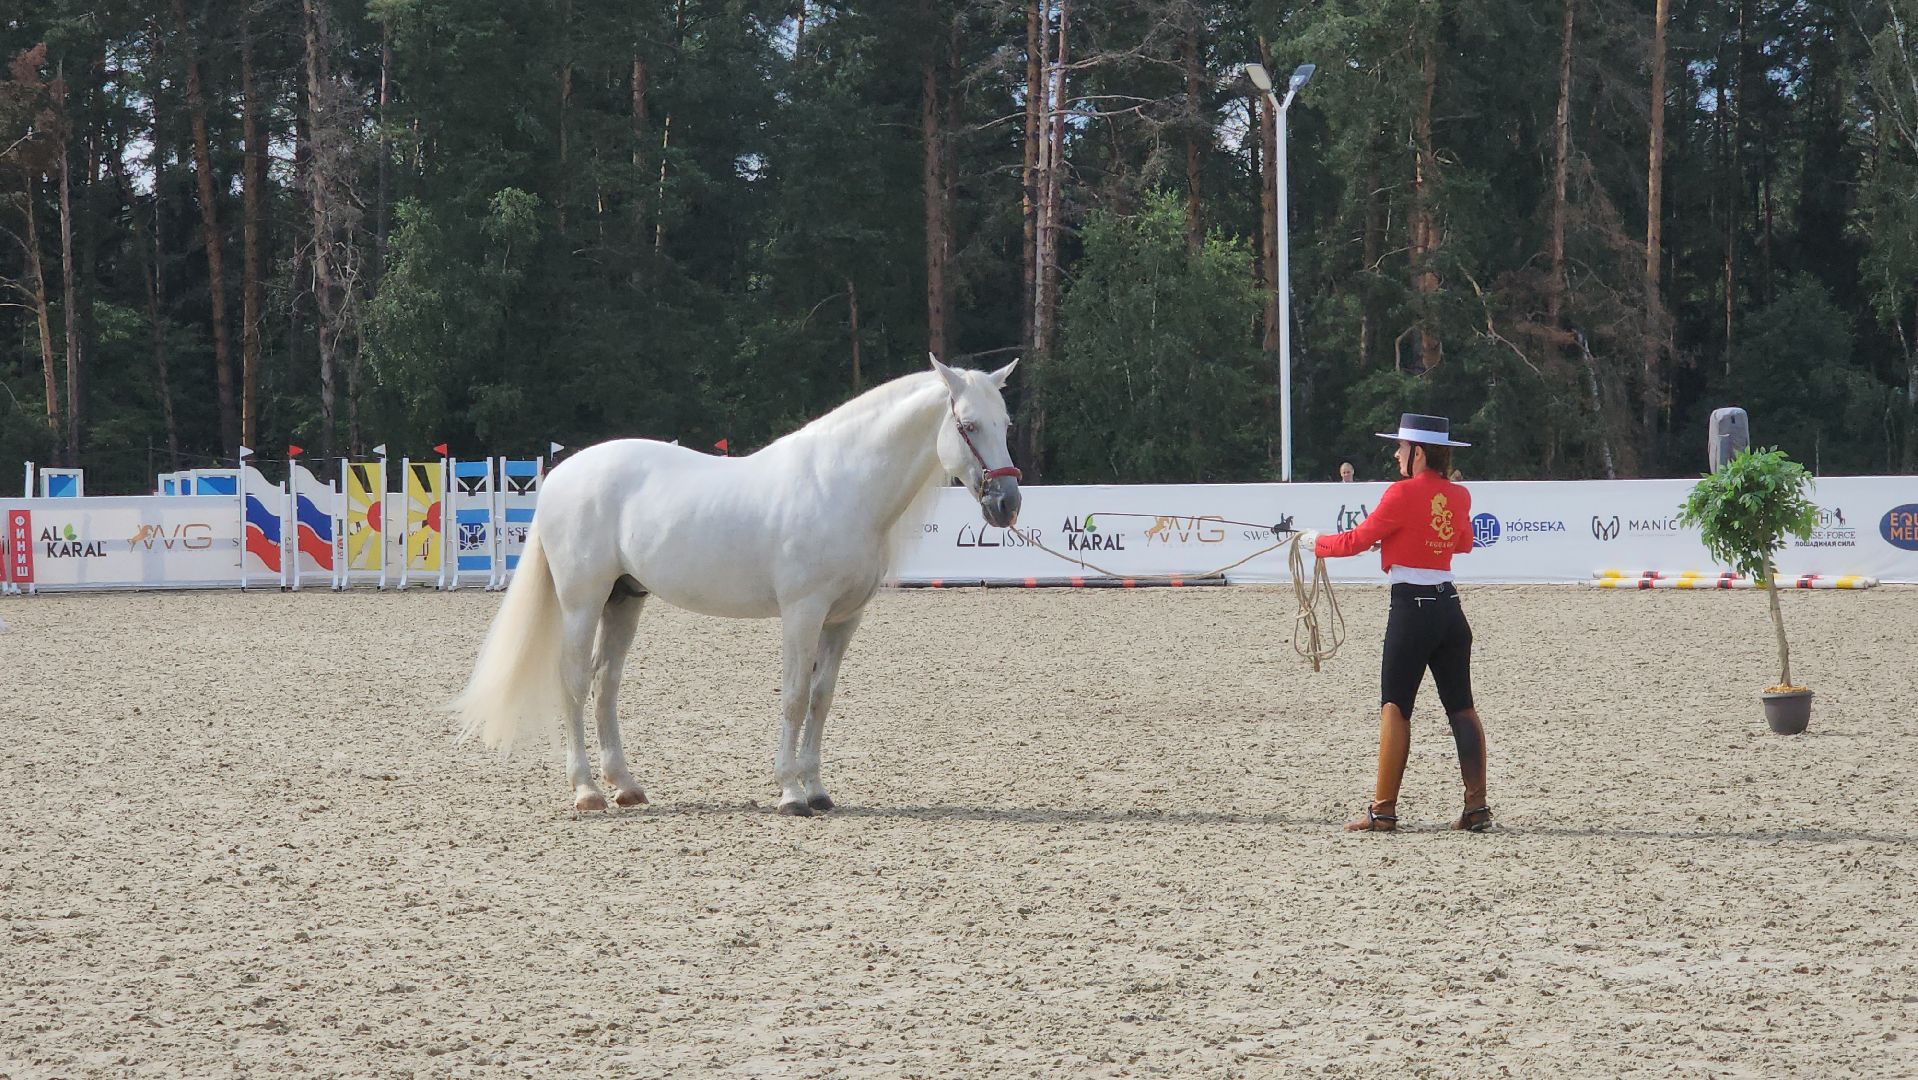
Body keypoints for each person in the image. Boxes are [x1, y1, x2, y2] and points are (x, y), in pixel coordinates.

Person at [1295, 413, 1491, 833]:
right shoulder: (1460, 496)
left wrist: (1316, 543)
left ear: (1418, 453)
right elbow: (1462, 543)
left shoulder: (1400, 494)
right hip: (1450, 608)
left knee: (1395, 706)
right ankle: (1476, 806)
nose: (1397, 455)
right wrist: (1404, 539)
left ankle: (1382, 810)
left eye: (1402, 448)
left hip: (1411, 610)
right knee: (1461, 705)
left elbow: (1355, 541)